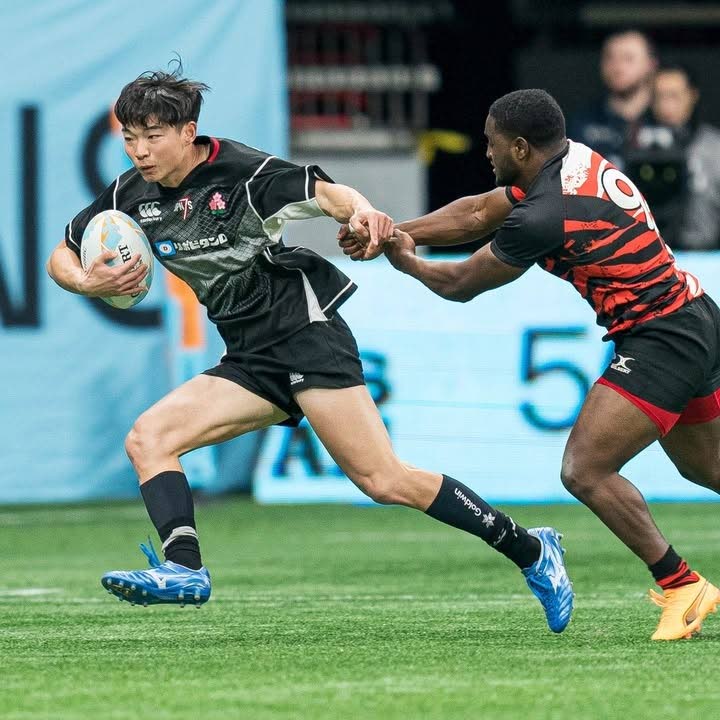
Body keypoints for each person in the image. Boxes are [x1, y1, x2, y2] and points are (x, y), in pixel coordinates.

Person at [46, 69, 573, 632]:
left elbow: (327, 194)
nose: (140, 151)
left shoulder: (243, 173)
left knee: (384, 480)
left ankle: (532, 550)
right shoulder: (131, 192)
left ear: (188, 131)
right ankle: (185, 570)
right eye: (129, 137)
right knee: (148, 439)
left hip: (304, 332)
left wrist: (363, 213)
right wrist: (86, 282)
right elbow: (64, 251)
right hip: (249, 355)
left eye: (153, 135)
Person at [340, 88, 720, 641]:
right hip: (695, 315)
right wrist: (397, 230)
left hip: (662, 339)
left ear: (519, 146)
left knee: (584, 470)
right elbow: (478, 210)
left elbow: (464, 283)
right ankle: (684, 584)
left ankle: (683, 584)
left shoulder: (546, 214)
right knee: (707, 468)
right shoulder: (567, 163)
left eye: (492, 144)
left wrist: (407, 264)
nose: (486, 154)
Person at [630, 63, 720, 249]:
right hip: (649, 257)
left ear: (692, 95)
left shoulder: (714, 148)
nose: (666, 105)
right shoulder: (633, 146)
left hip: (705, 256)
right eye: (659, 97)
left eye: (674, 96)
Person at [568, 29, 657, 170]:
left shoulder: (666, 119)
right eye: (610, 57)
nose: (618, 67)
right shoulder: (581, 121)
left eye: (628, 58)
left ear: (650, 65)